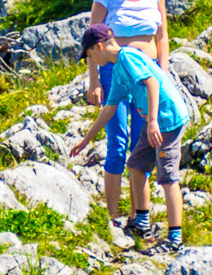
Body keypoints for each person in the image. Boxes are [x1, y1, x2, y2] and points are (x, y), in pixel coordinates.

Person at [72, 26, 189, 256]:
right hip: (153, 120)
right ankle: (142, 222)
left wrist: (153, 121)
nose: (92, 61)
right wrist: (85, 141)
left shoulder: (127, 57)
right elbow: (109, 108)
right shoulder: (118, 71)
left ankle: (175, 237)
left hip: (167, 119)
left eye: (90, 55)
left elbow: (153, 83)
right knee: (136, 166)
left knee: (167, 177)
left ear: (99, 46)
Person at [85, 0, 170, 233]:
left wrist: (164, 71)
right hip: (114, 72)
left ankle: (139, 215)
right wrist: (94, 80)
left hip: (146, 73)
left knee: (141, 142)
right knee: (118, 142)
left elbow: (162, 36)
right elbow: (93, 40)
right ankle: (112, 216)